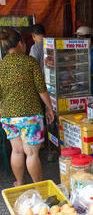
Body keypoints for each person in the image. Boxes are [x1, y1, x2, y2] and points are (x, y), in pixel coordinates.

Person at [0, 28, 54, 186]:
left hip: (8, 116)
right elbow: (41, 89)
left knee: (16, 151)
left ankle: (20, 182)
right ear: (20, 43)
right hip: (30, 116)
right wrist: (50, 108)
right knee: (31, 153)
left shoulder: (1, 67)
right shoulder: (29, 62)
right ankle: (39, 186)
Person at [75, 25, 93, 95]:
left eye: (81, 38)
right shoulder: (81, 50)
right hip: (81, 86)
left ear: (89, 38)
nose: (79, 40)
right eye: (77, 37)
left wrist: (87, 76)